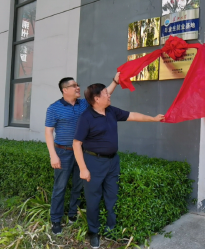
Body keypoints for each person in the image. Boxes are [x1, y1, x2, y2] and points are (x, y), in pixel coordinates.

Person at [72, 83, 164, 249]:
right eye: (106, 93)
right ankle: (93, 232)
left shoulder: (111, 111)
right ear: (96, 98)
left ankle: (111, 229)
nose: (109, 95)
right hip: (93, 162)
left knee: (111, 196)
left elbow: (133, 115)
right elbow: (76, 143)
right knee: (93, 200)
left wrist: (153, 118)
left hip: (113, 162)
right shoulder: (86, 117)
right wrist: (83, 168)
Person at [45, 74, 120, 235]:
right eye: (74, 86)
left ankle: (73, 214)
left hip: (82, 153)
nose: (78, 87)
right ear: (65, 90)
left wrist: (114, 81)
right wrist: (53, 155)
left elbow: (102, 95)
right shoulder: (53, 108)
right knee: (60, 187)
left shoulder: (84, 104)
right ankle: (56, 220)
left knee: (78, 186)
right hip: (63, 152)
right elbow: (48, 132)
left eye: (78, 85)